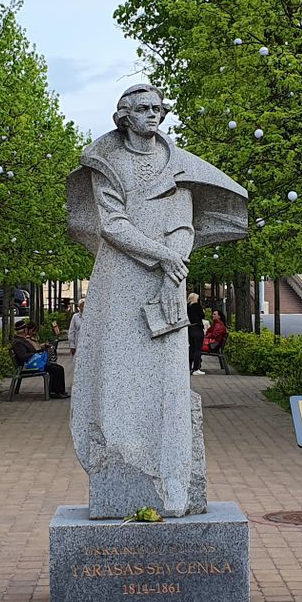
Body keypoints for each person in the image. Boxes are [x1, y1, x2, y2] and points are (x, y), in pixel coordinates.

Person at [65, 84, 249, 517]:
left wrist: (176, 257)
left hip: (164, 281)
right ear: (124, 116)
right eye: (144, 108)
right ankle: (117, 461)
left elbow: (184, 223)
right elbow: (113, 224)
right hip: (120, 279)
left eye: (159, 108)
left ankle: (171, 479)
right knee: (116, 370)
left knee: (168, 379)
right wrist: (164, 256)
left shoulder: (178, 167)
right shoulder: (105, 163)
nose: (154, 115)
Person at [11, 321, 68, 398]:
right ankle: (55, 392)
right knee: (56, 369)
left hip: (33, 362)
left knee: (58, 368)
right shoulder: (18, 342)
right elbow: (23, 356)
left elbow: (31, 350)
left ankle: (59, 391)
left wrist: (38, 351)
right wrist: (35, 354)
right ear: (24, 330)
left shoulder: (22, 340)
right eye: (26, 329)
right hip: (29, 365)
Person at [187, 291, 205, 374]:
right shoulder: (197, 306)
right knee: (198, 349)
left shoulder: (187, 306)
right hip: (197, 328)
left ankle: (188, 367)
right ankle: (196, 368)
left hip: (190, 329)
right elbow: (202, 315)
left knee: (191, 348)